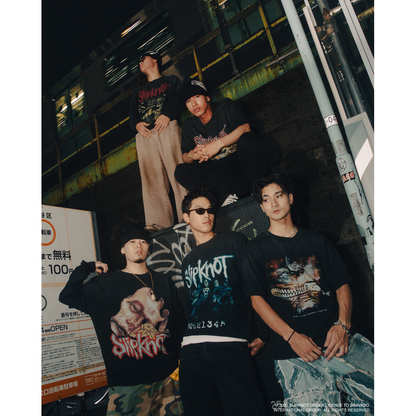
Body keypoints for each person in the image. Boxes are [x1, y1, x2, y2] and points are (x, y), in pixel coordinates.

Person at [243, 173, 374, 415]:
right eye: (266, 199)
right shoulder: (254, 250)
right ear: (261, 207)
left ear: (290, 198)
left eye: (279, 195)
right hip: (295, 354)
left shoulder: (318, 241)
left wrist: (343, 325)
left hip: (340, 341)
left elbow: (342, 285)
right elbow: (257, 301)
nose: (274, 203)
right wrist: (292, 337)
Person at [59, 225, 184, 416]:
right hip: (127, 385)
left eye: (143, 241)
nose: (138, 245)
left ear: (148, 248)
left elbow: (177, 324)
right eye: (132, 242)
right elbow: (67, 296)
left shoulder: (164, 281)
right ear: (123, 249)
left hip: (168, 379)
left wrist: (180, 364)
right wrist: (86, 268)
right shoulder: (105, 284)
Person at [179, 188, 269, 416]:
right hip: (191, 349)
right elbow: (192, 303)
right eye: (200, 211)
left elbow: (255, 286)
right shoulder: (187, 260)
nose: (207, 215)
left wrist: (263, 332)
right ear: (186, 217)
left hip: (229, 343)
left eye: (210, 210)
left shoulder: (233, 241)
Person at [174, 78, 271, 207]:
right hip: (219, 177)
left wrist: (217, 144)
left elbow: (245, 128)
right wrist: (192, 155)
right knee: (180, 171)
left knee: (249, 139)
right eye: (188, 101)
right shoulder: (189, 126)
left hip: (241, 165)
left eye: (197, 96)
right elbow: (185, 157)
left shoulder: (225, 107)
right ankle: (222, 199)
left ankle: (258, 190)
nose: (194, 104)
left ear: (207, 97)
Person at [129, 51, 187, 230]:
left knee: (178, 169)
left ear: (155, 60)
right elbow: (132, 113)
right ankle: (157, 223)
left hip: (167, 127)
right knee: (150, 179)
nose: (140, 63)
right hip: (146, 134)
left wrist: (167, 114)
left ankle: (188, 212)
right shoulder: (137, 92)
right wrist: (137, 124)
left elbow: (177, 98)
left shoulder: (170, 81)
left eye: (143, 59)